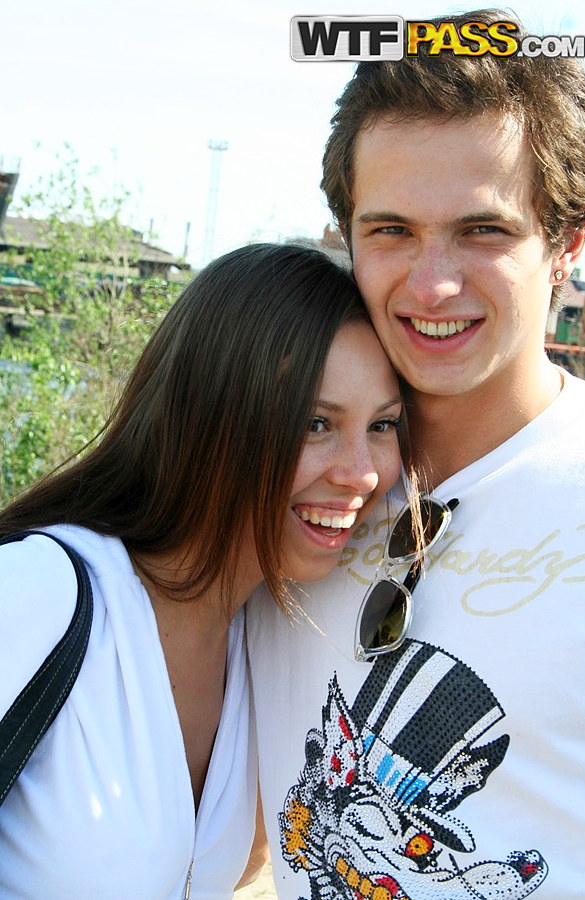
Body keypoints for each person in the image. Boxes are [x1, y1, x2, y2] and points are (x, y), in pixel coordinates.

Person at [247, 10, 585, 899]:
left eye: (483, 230)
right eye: (391, 230)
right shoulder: (274, 477)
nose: (433, 284)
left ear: (568, 242)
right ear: (344, 234)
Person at [0, 242, 408, 899]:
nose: (362, 473)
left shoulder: (263, 646)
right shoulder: (38, 592)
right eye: (315, 422)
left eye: (383, 425)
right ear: (210, 414)